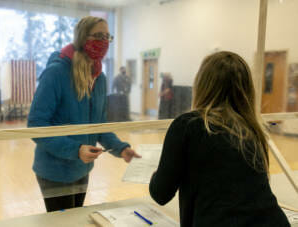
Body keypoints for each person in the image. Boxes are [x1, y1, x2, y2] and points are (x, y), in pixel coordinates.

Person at [149, 51, 290, 226]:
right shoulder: (252, 130)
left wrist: (157, 173)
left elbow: (160, 193)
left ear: (201, 85)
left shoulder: (188, 125)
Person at [27, 16, 140, 212]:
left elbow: (99, 126)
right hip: (55, 171)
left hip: (82, 168)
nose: (103, 42)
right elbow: (37, 124)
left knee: (76, 219)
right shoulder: (56, 73)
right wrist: (76, 149)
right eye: (98, 35)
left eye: (107, 36)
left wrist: (121, 149)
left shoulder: (100, 78)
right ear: (81, 38)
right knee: (62, 225)